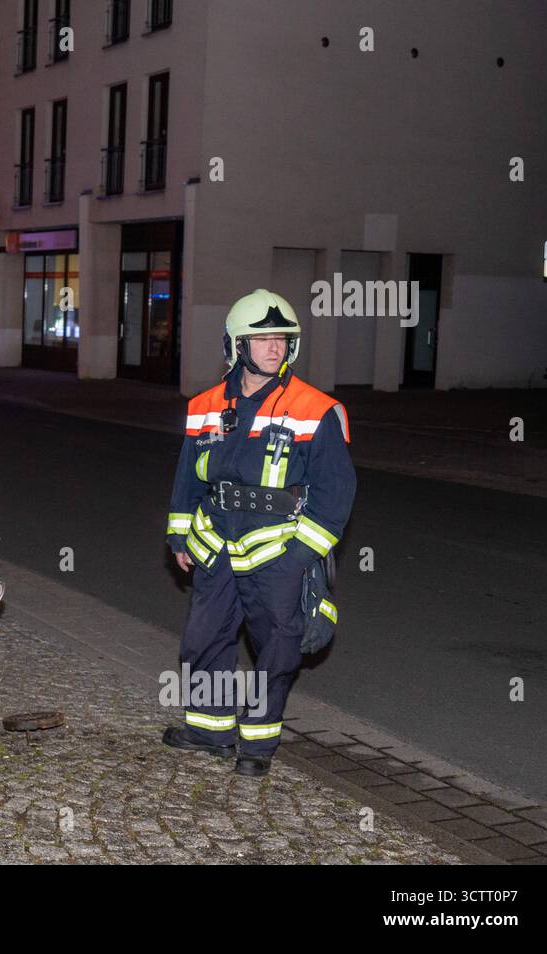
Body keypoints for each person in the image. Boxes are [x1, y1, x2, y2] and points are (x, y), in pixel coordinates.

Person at [163, 289, 356, 777]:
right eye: (262, 338)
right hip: (216, 543)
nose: (274, 347)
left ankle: (258, 745)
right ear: (236, 346)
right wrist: (180, 535)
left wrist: (299, 556)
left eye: (282, 339)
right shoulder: (206, 404)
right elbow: (187, 475)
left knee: (277, 646)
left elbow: (336, 493)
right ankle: (208, 731)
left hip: (278, 548)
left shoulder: (315, 408)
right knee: (203, 641)